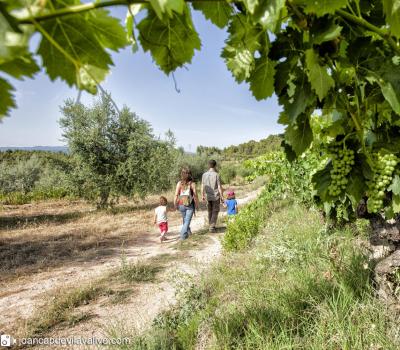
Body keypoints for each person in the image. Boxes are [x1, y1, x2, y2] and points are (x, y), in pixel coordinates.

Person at [175, 168, 199, 240]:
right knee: (187, 221)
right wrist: (197, 204)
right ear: (190, 174)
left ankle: (188, 233)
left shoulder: (179, 183)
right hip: (189, 204)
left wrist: (175, 203)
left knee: (185, 220)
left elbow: (176, 195)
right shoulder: (192, 184)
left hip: (181, 204)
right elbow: (195, 195)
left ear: (182, 174)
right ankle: (182, 236)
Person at [201, 160, 224, 232]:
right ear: (215, 165)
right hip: (215, 195)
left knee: (209, 211)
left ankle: (211, 226)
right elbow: (219, 187)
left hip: (208, 196)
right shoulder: (217, 175)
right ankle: (212, 226)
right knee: (215, 211)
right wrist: (222, 196)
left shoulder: (204, 175)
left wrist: (202, 195)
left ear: (208, 165)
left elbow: (202, 186)